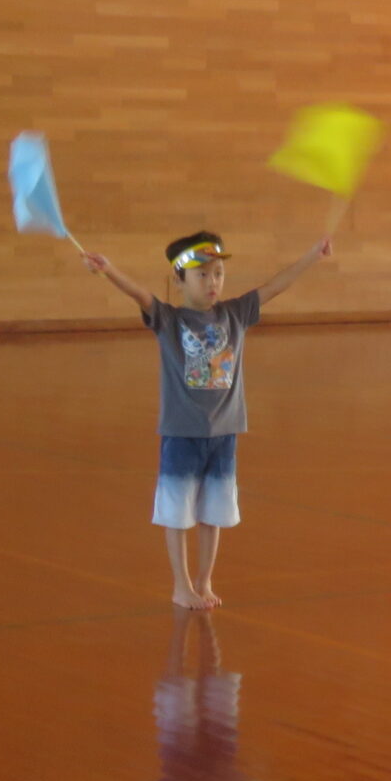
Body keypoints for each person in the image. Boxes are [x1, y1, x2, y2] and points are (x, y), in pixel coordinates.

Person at [83, 226, 333, 608]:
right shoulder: (169, 320)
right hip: (182, 434)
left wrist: (313, 255)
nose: (212, 282)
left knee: (213, 513)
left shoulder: (235, 314)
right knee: (177, 514)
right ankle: (181, 585)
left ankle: (204, 581)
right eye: (201, 274)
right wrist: (108, 269)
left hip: (224, 433)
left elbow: (275, 286)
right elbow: (139, 294)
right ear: (179, 279)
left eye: (218, 273)